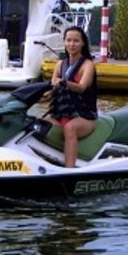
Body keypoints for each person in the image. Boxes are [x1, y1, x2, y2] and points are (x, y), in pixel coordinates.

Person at [48, 26, 97, 168]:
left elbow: (82, 87)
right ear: (64, 42)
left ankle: (69, 170)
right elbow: (52, 90)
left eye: (76, 41)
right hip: (61, 115)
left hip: (84, 117)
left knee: (70, 128)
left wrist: (64, 82)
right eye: (68, 40)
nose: (72, 44)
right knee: (37, 125)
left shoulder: (88, 65)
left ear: (83, 43)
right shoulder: (60, 65)